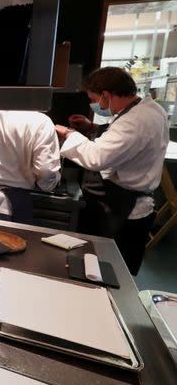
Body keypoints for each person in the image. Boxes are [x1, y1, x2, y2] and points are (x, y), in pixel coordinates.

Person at [56, 67, 169, 275]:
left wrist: (68, 133)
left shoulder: (135, 121)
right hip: (128, 204)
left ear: (106, 95)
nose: (95, 105)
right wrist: (91, 127)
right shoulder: (148, 109)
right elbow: (123, 143)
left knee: (111, 273)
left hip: (125, 211)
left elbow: (97, 157)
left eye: (94, 99)